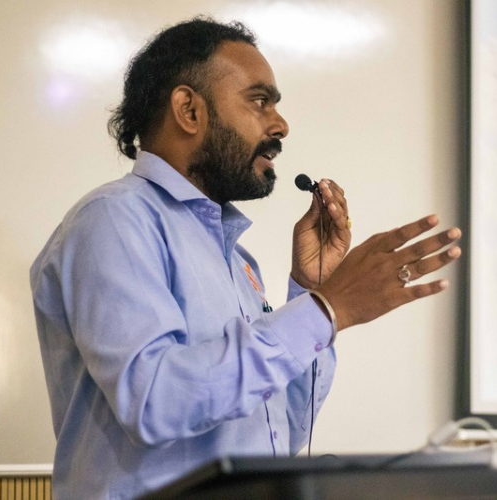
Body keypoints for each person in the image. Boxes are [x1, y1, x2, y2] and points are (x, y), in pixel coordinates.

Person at [30, 17, 461, 500]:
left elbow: (282, 433)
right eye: (260, 101)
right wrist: (327, 309)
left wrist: (311, 292)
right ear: (189, 110)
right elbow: (153, 401)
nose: (280, 125)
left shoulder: (240, 262)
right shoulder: (113, 220)